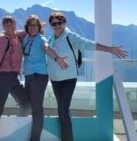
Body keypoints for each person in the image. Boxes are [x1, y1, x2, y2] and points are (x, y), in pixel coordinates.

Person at [47, 12, 128, 141]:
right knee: (64, 109)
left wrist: (110, 49)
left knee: (62, 110)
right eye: (54, 24)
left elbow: (89, 44)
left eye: (59, 23)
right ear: (51, 25)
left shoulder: (70, 36)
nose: (57, 26)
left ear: (64, 22)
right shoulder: (51, 38)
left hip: (68, 78)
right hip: (55, 79)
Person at [0, 15, 31, 141]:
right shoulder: (3, 40)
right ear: (3, 26)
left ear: (15, 24)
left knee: (25, 103)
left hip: (13, 77)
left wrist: (38, 25)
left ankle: (18, 131)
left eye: (11, 23)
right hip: (3, 76)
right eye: (6, 24)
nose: (9, 26)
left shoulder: (16, 37)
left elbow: (25, 31)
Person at [22, 14, 68, 141]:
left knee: (36, 108)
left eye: (35, 26)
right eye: (30, 25)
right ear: (27, 27)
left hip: (39, 76)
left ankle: (34, 138)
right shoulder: (26, 39)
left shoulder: (41, 39)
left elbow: (47, 48)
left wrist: (57, 58)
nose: (32, 28)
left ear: (38, 27)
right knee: (30, 105)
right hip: (29, 75)